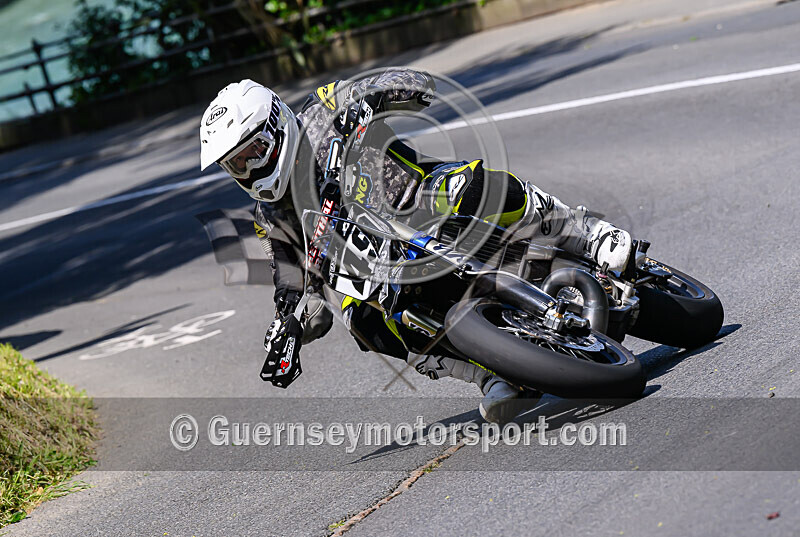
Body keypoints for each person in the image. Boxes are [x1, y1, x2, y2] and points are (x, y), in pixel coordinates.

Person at [199, 68, 632, 422]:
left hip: (420, 199)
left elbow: (416, 84)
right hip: (381, 264)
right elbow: (296, 284)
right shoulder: (271, 218)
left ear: (276, 124)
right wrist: (289, 330)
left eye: (251, 152)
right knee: (362, 321)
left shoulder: (324, 110)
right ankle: (491, 376)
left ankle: (586, 233)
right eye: (234, 164)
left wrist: (368, 104)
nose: (247, 169)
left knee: (474, 186)